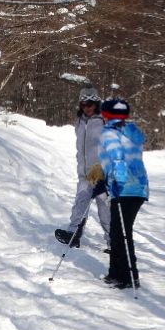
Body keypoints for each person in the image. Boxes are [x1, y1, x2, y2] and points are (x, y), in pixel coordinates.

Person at [97, 98, 149, 289]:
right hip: (139, 188)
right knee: (117, 231)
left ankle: (128, 277)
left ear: (106, 115)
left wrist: (117, 181)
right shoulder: (131, 132)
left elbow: (117, 158)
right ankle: (115, 273)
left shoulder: (108, 133)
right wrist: (102, 175)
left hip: (124, 188)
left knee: (121, 233)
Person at [54, 87, 110, 250]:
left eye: (90, 103)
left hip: (102, 172)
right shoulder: (79, 121)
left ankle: (114, 242)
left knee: (105, 210)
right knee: (80, 203)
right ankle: (73, 235)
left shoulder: (104, 121)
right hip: (85, 172)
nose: (87, 107)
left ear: (96, 103)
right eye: (84, 104)